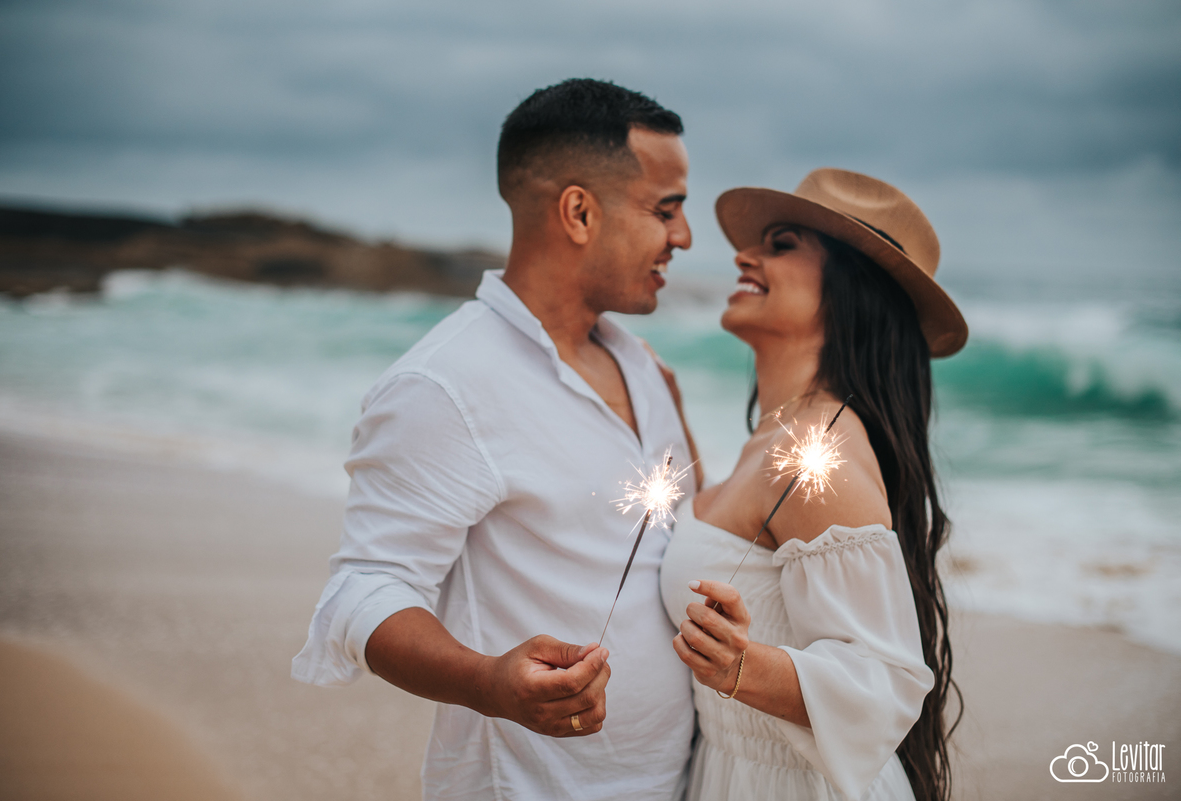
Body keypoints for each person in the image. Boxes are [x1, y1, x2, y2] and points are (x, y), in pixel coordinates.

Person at [292, 79, 702, 800]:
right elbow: (365, 587)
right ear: (578, 211)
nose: (684, 236)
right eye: (664, 209)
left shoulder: (642, 366)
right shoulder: (444, 384)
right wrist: (488, 682)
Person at [660, 169, 966, 801]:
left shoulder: (815, 455)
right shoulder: (775, 443)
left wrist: (745, 666)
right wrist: (666, 413)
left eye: (782, 244)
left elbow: (888, 682)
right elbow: (735, 541)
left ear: (853, 289)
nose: (744, 256)